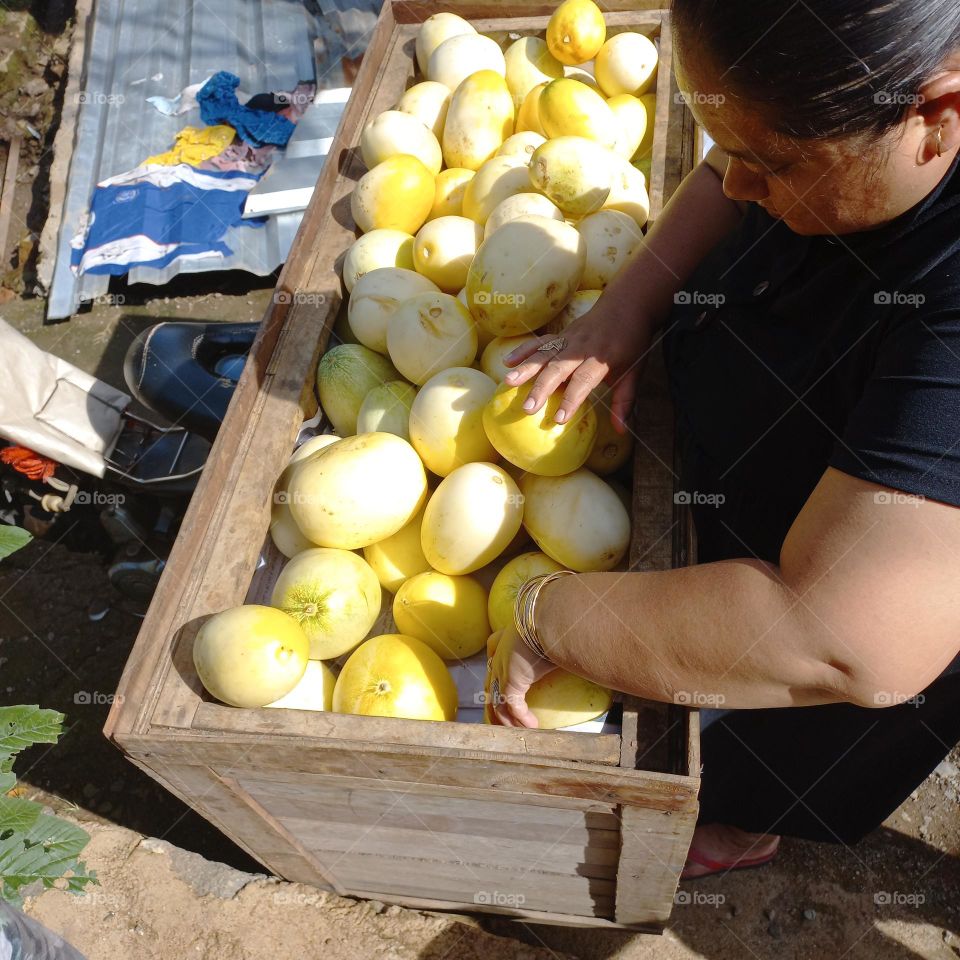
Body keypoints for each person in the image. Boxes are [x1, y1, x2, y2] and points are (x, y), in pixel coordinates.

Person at [486, 0, 960, 879]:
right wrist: (626, 311)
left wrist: (545, 615)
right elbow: (722, 175)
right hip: (805, 400)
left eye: (769, 165)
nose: (734, 185)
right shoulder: (853, 94)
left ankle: (748, 819)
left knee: (796, 722)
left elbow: (846, 636)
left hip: (893, 588)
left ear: (936, 119)